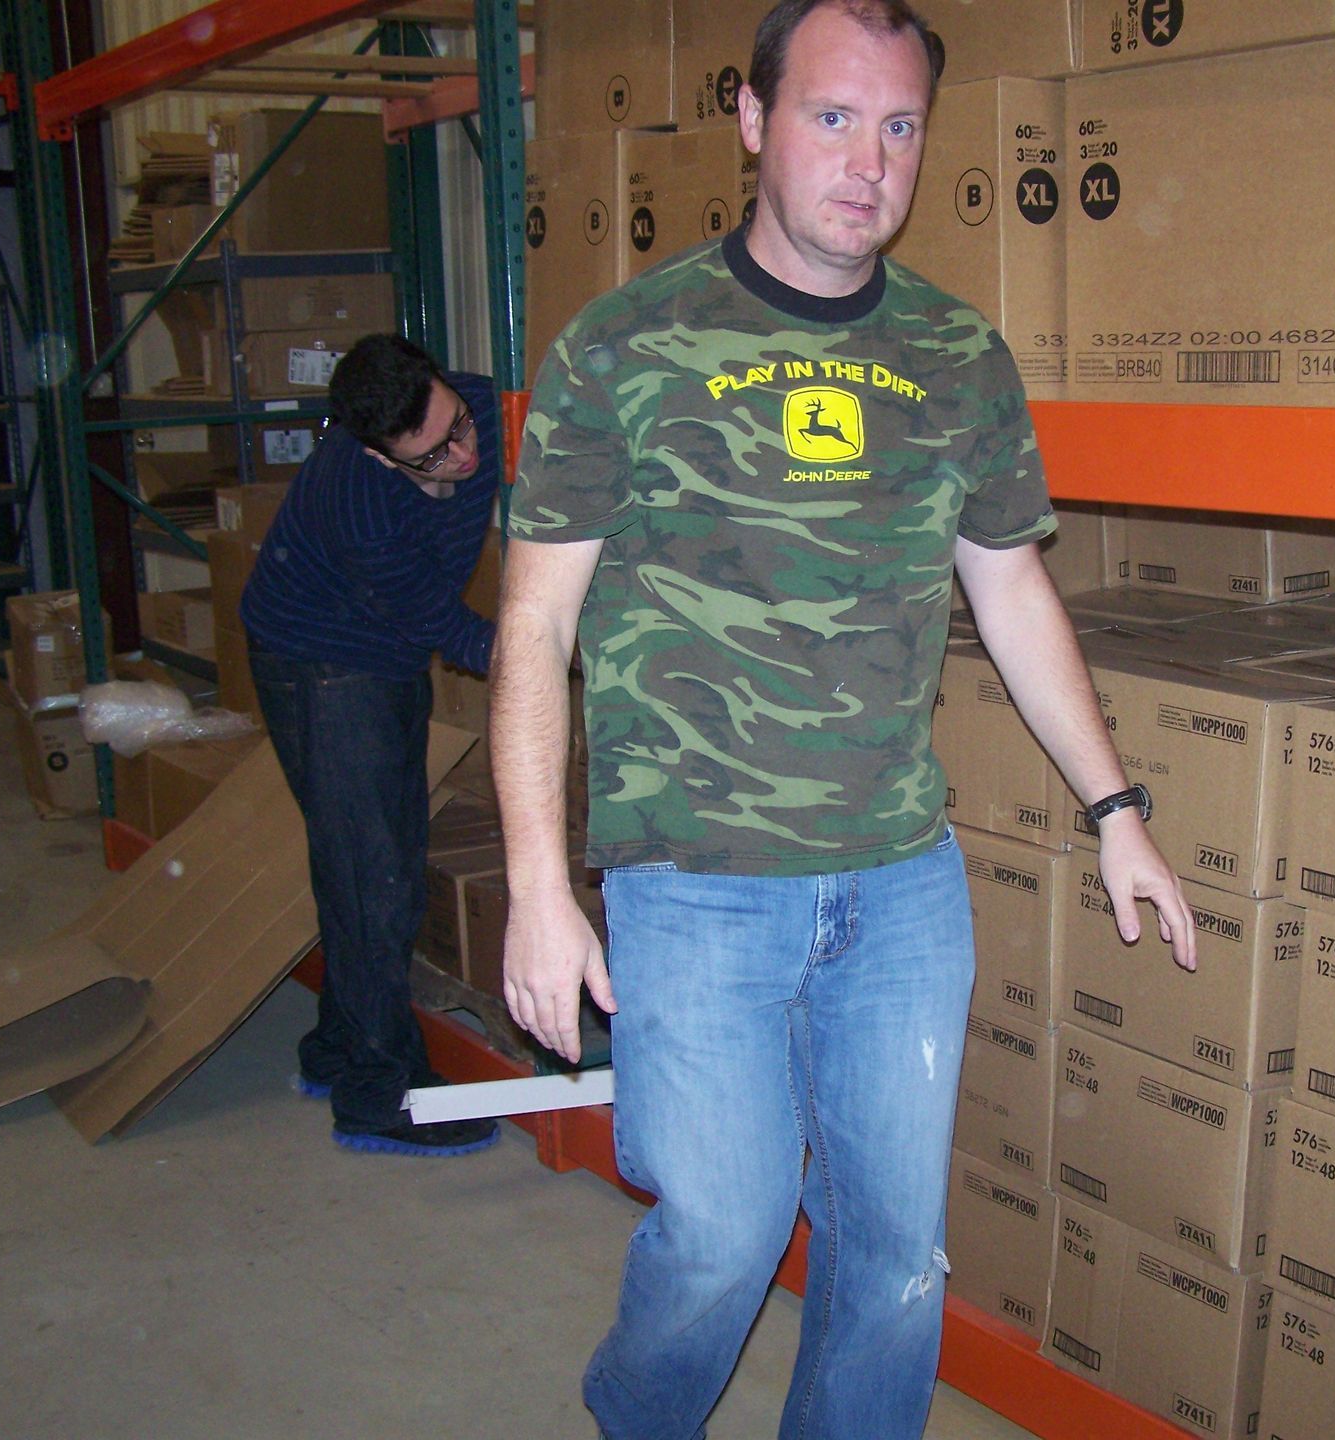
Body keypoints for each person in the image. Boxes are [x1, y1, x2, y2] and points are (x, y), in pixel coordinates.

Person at [489, 0, 1199, 1433]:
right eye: (830, 117)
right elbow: (535, 623)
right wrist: (534, 889)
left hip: (897, 887)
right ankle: (637, 1417)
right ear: (752, 121)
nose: (868, 162)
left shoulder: (957, 357)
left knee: (891, 1269)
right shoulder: (623, 348)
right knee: (721, 1238)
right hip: (696, 889)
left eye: (899, 126)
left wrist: (1118, 812)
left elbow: (1011, 595)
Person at [241, 332, 502, 1158]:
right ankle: (376, 1093)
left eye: (457, 425)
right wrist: (560, 658)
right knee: (371, 874)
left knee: (381, 853)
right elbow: (442, 625)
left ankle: (335, 1047)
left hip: (384, 653)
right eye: (434, 453)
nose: (464, 453)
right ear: (382, 455)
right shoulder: (358, 502)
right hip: (318, 658)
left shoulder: (479, 406)